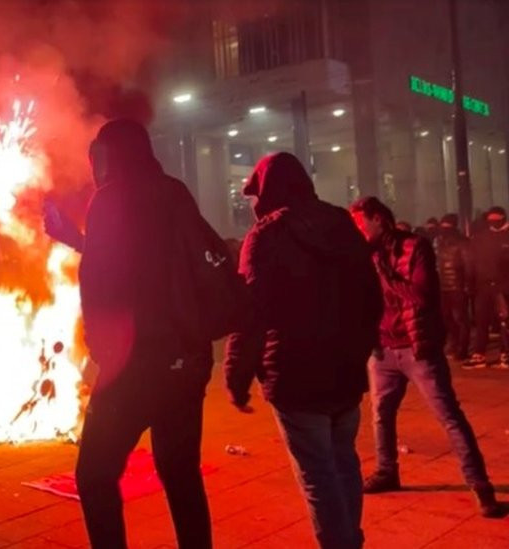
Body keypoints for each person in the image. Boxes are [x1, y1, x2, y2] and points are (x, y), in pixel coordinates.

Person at [58, 119, 216, 549]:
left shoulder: (109, 198)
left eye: (99, 155)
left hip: (135, 366)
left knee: (94, 475)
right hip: (186, 361)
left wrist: (101, 352)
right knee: (181, 473)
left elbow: (101, 277)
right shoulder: (173, 192)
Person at [225, 153, 382, 549]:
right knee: (343, 462)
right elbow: (371, 296)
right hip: (344, 371)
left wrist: (237, 375)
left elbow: (251, 313)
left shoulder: (264, 237)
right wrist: (359, 347)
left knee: (318, 475)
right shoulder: (341, 224)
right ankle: (351, 541)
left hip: (295, 374)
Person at [349, 197, 501, 519]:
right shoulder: (363, 254)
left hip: (417, 348)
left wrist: (383, 272)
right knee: (381, 415)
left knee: (449, 416)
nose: (358, 230)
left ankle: (480, 484)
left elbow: (421, 295)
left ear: (378, 219)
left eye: (360, 223)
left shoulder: (414, 247)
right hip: (383, 348)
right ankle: (387, 470)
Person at [465, 206, 509, 368]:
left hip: (505, 286)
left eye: (496, 219)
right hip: (483, 286)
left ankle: (506, 353)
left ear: (503, 218)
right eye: (491, 219)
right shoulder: (481, 237)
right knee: (481, 321)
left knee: (505, 320)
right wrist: (471, 283)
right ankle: (479, 354)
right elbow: (472, 262)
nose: (493, 222)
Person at [434, 214, 472, 361]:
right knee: (447, 318)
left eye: (447, 226)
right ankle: (454, 344)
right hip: (443, 286)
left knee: (460, 319)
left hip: (457, 286)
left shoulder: (463, 242)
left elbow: (468, 265)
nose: (444, 229)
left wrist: (468, 285)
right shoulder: (439, 241)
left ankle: (462, 349)